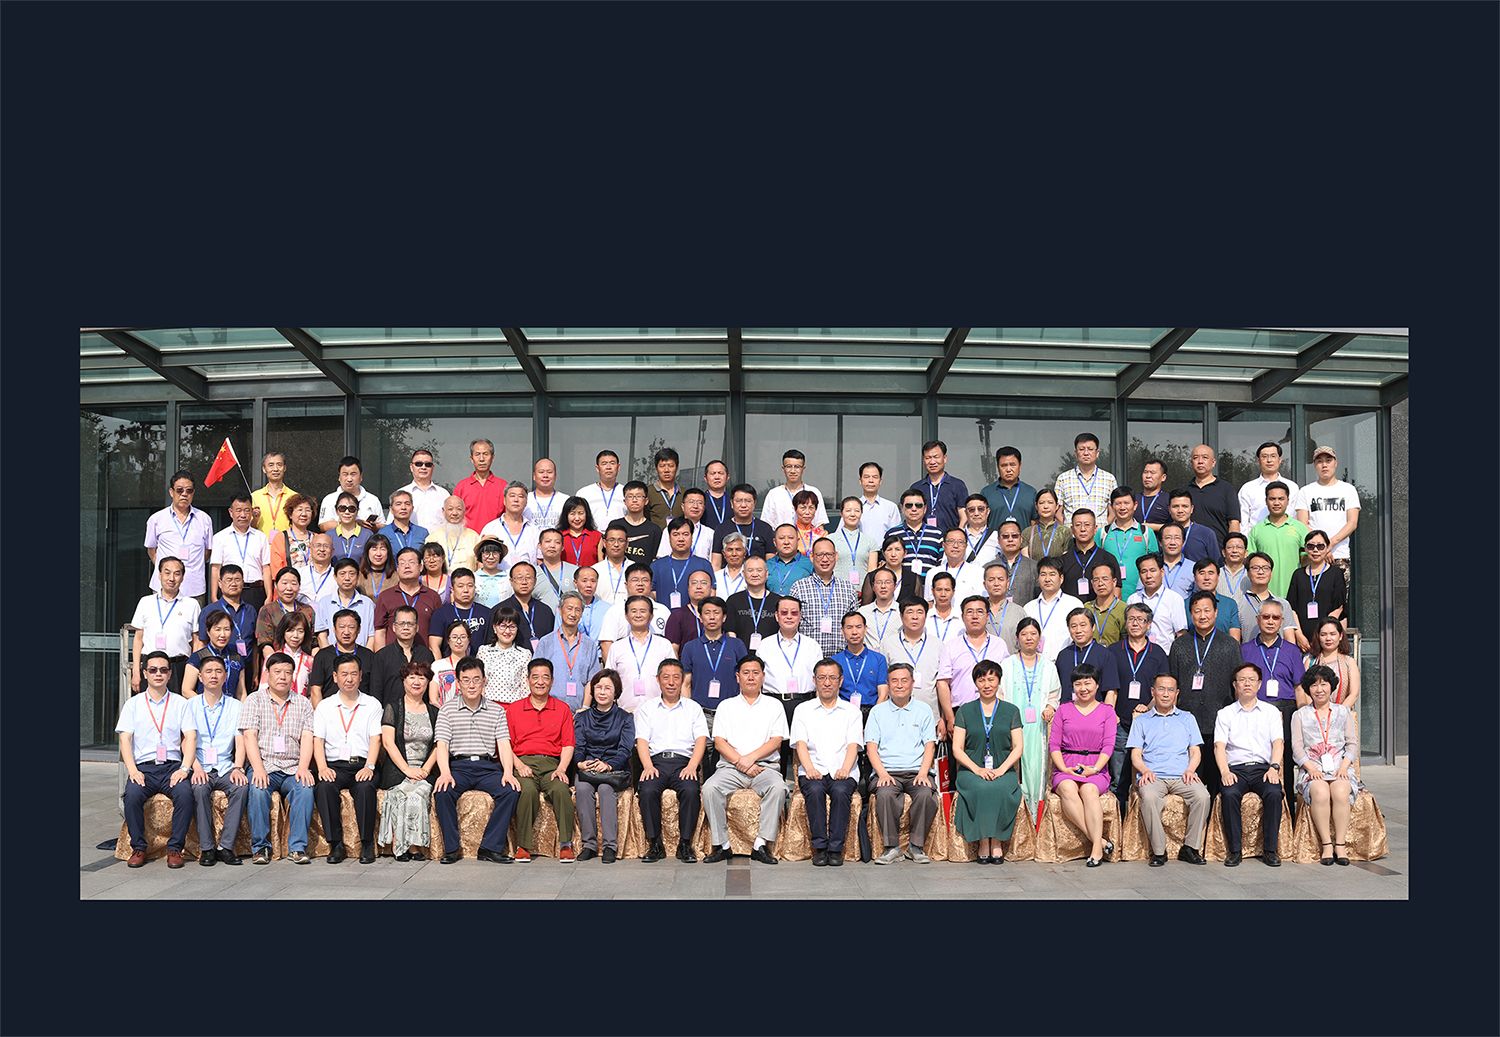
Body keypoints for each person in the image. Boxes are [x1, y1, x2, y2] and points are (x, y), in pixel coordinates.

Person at [432, 656, 520, 864]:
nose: (471, 685)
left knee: (510, 790)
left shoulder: (497, 711)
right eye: (466, 680)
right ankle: (451, 849)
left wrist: (508, 772)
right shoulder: (447, 710)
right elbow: (442, 745)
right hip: (458, 767)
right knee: (443, 792)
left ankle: (490, 848)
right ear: (458, 682)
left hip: (487, 767)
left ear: (484, 681)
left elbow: (503, 744)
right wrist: (445, 773)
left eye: (476, 679)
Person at [701, 655, 789, 864]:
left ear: (763, 677)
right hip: (731, 768)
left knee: (778, 788)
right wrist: (742, 763)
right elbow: (719, 743)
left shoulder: (774, 705)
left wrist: (750, 760)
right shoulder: (726, 706)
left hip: (765, 768)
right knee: (710, 788)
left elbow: (776, 741)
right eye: (746, 673)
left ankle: (760, 844)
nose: (751, 677)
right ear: (737, 677)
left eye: (755, 673)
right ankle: (722, 845)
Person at [117, 651, 196, 868]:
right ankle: (139, 848)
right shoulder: (133, 704)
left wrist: (185, 769)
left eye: (163, 670)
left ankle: (175, 849)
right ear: (144, 673)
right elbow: (125, 739)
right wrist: (133, 770)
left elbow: (190, 737)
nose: (158, 674)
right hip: (144, 768)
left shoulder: (181, 703)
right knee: (131, 796)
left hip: (172, 767)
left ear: (170, 674)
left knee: (185, 795)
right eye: (153, 670)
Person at [240, 652, 317, 865]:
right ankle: (260, 847)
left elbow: (307, 737)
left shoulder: (303, 703)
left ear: (293, 675)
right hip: (264, 765)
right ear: (267, 673)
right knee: (257, 789)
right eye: (277, 672)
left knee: (305, 788)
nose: (283, 676)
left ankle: (297, 848)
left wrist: (303, 767)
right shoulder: (255, 700)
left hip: (293, 767)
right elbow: (249, 736)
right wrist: (258, 769)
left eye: (287, 672)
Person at [1126, 674, 1210, 866]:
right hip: (1154, 776)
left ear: (1177, 693)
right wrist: (1144, 770)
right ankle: (1158, 851)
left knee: (1202, 796)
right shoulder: (1141, 721)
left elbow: (1195, 751)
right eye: (1161, 689)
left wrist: (1191, 770)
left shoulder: (1187, 718)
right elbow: (1135, 755)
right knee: (1149, 797)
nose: (1166, 694)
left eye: (1170, 690)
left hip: (1182, 775)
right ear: (1153, 692)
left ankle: (1190, 848)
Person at [792, 660, 866, 866]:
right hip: (812, 768)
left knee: (841, 792)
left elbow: (853, 745)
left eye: (832, 678)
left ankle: (835, 849)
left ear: (840, 681)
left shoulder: (852, 711)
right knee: (815, 791)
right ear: (814, 680)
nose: (827, 683)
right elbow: (800, 744)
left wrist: (845, 768)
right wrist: (809, 768)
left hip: (843, 770)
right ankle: (820, 847)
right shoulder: (803, 709)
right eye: (822, 678)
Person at [865, 662, 940, 864]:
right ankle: (892, 848)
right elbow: (871, 747)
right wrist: (882, 773)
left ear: (912, 683)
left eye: (904, 680)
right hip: (887, 771)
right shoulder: (877, 712)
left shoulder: (924, 710)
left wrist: (923, 773)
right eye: (894, 681)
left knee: (925, 794)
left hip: (917, 771)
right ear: (888, 684)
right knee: (885, 794)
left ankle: (916, 846)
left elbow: (929, 745)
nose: (899, 685)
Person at [1168, 590, 1242, 796]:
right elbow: (1173, 681)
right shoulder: (1179, 645)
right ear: (1191, 614)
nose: (1202, 616)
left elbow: (1236, 684)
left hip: (1219, 720)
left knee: (1218, 781)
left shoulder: (1229, 644)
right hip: (1187, 721)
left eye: (1207, 610)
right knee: (1191, 782)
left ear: (1216, 613)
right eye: (1197, 611)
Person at [951, 659, 1025, 863]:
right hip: (971, 769)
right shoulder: (965, 710)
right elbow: (957, 749)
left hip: (1004, 768)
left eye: (991, 679)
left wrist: (1001, 770)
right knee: (982, 787)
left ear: (999, 681)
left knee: (999, 787)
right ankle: (984, 840)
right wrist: (977, 770)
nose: (986, 684)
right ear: (975, 683)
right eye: (981, 680)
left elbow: (1018, 747)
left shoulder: (1011, 710)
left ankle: (997, 841)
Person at [635, 662, 710, 862]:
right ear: (658, 680)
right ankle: (655, 844)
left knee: (691, 790)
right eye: (666, 677)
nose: (671, 682)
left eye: (676, 677)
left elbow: (701, 740)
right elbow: (641, 740)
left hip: (684, 763)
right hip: (656, 763)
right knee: (647, 790)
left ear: (682, 680)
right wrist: (647, 766)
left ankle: (685, 845)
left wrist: (692, 766)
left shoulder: (693, 708)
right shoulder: (647, 708)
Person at [311, 655, 383, 864]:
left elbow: (375, 739)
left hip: (362, 763)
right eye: (344, 674)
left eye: (353, 674)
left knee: (365, 788)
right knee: (324, 787)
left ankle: (367, 844)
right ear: (335, 677)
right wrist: (322, 767)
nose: (349, 679)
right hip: (334, 765)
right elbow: (318, 740)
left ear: (360, 676)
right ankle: (336, 845)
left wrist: (369, 766)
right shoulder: (325, 706)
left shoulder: (372, 704)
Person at [504, 659, 577, 863]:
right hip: (523, 763)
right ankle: (523, 846)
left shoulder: (562, 709)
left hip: (551, 764)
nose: (540, 682)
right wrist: (519, 765)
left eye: (545, 677)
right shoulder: (514, 709)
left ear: (552, 681)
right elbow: (505, 744)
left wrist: (562, 768)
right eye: (535, 677)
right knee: (526, 791)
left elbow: (568, 744)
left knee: (561, 789)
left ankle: (566, 844)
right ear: (527, 680)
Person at [1214, 662, 1287, 867]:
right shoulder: (1225, 713)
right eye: (1242, 680)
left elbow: (1278, 743)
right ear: (1235, 685)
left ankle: (1270, 850)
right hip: (1236, 769)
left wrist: (1274, 767)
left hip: (1263, 768)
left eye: (1251, 680)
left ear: (1259, 684)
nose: (1247, 683)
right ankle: (1235, 851)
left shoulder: (1271, 712)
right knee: (1229, 793)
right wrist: (1224, 772)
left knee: (1274, 792)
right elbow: (1219, 746)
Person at [1291, 664, 1365, 866]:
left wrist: (1344, 766)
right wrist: (1310, 768)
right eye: (1314, 685)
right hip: (1312, 768)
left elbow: (1352, 743)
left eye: (1324, 684)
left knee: (1340, 792)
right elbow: (1297, 747)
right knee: (1320, 792)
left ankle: (1340, 844)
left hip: (1340, 767)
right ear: (1308, 689)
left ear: (1331, 686)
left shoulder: (1343, 712)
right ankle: (1326, 845)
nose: (1319, 689)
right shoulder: (1300, 715)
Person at [1049, 664, 1121, 866]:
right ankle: (1100, 841)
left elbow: (1108, 745)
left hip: (1096, 766)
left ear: (1097, 685)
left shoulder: (1107, 711)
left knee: (1089, 790)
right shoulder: (1063, 709)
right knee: (1067, 787)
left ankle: (1096, 848)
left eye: (1087, 683)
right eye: (1078, 684)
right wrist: (1063, 768)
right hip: (1067, 765)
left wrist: (1095, 768)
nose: (1083, 688)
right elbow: (1054, 745)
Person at [1241, 599, 1306, 797]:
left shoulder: (1292, 651)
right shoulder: (1245, 649)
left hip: (1285, 711)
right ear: (1257, 619)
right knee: (1256, 756)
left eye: (1275, 617)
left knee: (1285, 759)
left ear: (1282, 621)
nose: (1270, 621)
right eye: (1266, 617)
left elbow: (1299, 688)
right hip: (1255, 711)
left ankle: (1288, 808)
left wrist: (1303, 717)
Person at [186, 654, 247, 866]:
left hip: (225, 766)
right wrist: (195, 767)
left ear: (225, 676)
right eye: (209, 671)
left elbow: (240, 740)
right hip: (200, 765)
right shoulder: (190, 705)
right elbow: (186, 741)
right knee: (199, 788)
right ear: (200, 677)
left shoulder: (236, 706)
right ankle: (207, 848)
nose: (214, 675)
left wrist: (238, 767)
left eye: (219, 671)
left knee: (241, 787)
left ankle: (226, 847)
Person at [1107, 603, 1170, 807]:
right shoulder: (1114, 651)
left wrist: (1149, 707)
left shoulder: (1158, 653)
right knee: (1118, 779)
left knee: (1145, 778)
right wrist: (1111, 715)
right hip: (1120, 723)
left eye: (1141, 620)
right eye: (1131, 619)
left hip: (1149, 723)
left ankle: (1139, 823)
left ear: (1148, 624)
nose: (1135, 623)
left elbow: (1163, 688)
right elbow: (1109, 687)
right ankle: (1120, 821)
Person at [998, 617, 1059, 827]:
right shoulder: (1007, 664)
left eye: (1033, 634)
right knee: (1018, 768)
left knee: (1037, 769)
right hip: (1014, 726)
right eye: (1024, 634)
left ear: (1039, 637)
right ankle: (1019, 820)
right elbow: (1000, 694)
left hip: (1039, 729)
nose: (1029, 638)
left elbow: (1054, 694)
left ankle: (1036, 819)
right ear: (1017, 638)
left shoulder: (1049, 665)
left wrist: (1050, 708)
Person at [378, 660, 441, 860]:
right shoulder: (393, 708)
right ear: (404, 681)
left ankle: (413, 846)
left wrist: (425, 770)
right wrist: (407, 770)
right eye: (412, 677)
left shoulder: (434, 712)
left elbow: (439, 745)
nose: (416, 682)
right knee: (402, 793)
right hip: (398, 770)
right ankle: (401, 845)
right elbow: (388, 743)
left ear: (428, 682)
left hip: (424, 770)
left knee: (417, 793)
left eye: (421, 678)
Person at [573, 669, 635, 863]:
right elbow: (579, 746)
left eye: (607, 688)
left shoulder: (625, 718)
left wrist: (608, 765)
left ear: (616, 692)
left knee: (606, 789)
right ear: (592, 690)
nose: (602, 692)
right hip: (588, 767)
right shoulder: (582, 718)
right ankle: (589, 845)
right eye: (598, 687)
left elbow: (625, 750)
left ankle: (610, 846)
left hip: (613, 769)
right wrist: (580, 762)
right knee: (582, 789)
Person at [936, 595, 1012, 734]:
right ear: (962, 616)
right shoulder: (951, 646)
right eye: (970, 612)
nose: (975, 616)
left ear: (987, 616)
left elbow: (1007, 680)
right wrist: (949, 717)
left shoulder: (999, 644)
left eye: (980, 612)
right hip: (961, 713)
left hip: (994, 711)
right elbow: (942, 683)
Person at [1294, 445, 1360, 604]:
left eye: (1328, 460)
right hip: (1313, 555)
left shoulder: (1348, 490)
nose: (1324, 465)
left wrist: (1330, 544)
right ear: (1314, 465)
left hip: (1339, 555)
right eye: (1319, 461)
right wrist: (1320, 547)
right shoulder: (1305, 491)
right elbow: (1302, 523)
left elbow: (1352, 523)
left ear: (1335, 463)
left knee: (1338, 603)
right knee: (1311, 601)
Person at [131, 556, 202, 696]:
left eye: (177, 574)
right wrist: (136, 671)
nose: (171, 578)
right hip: (151, 667)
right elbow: (138, 639)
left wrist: (192, 671)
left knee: (179, 707)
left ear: (182, 577)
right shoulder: (145, 602)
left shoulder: (191, 604)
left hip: (179, 667)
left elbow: (197, 641)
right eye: (167, 573)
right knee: (150, 707)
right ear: (159, 575)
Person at [145, 470, 214, 603]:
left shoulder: (204, 519)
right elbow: (151, 550)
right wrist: (168, 568)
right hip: (163, 587)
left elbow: (207, 552)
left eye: (189, 491)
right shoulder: (157, 519)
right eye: (179, 490)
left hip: (194, 588)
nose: (184, 494)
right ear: (171, 492)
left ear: (193, 493)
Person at [603, 595, 676, 712]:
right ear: (626, 616)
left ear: (651, 616)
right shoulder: (617, 647)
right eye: (633, 611)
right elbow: (609, 680)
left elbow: (674, 675)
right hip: (625, 712)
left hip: (659, 711)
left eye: (643, 611)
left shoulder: (664, 644)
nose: (638, 615)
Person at [881, 598, 944, 731]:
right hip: (895, 716)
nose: (915, 617)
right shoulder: (888, 644)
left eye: (919, 612)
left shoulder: (937, 645)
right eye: (910, 612)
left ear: (926, 616)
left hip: (930, 717)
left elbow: (942, 683)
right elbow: (883, 682)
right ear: (901, 616)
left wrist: (943, 718)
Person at [790, 537, 860, 656]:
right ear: (812, 557)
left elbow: (854, 624)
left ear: (836, 556)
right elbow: (792, 623)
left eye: (829, 554)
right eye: (820, 555)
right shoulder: (798, 588)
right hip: (808, 656)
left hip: (841, 657)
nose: (825, 559)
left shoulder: (848, 589)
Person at [531, 591, 600, 707]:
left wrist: (584, 708)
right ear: (560, 610)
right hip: (550, 708)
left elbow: (592, 680)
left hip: (579, 710)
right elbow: (535, 675)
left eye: (577, 610)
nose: (573, 614)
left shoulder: (589, 645)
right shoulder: (546, 642)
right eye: (569, 608)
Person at [681, 595, 748, 712]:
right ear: (700, 618)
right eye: (707, 613)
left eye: (716, 613)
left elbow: (745, 680)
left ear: (724, 617)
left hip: (731, 712)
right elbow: (686, 684)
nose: (712, 617)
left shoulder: (737, 645)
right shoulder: (690, 647)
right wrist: (689, 712)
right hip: (700, 712)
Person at [1246, 482, 1308, 598]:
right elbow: (1251, 562)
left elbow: (1307, 560)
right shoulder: (1256, 530)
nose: (1276, 503)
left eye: (1281, 499)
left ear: (1288, 501)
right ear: (1266, 501)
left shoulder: (1300, 528)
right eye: (1272, 499)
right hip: (1264, 595)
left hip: (1295, 593)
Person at [1286, 530, 1348, 646]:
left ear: (1327, 548)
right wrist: (1299, 635)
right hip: (1302, 641)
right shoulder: (1298, 575)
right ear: (1305, 549)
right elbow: (1292, 608)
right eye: (1311, 546)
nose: (1315, 550)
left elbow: (1338, 608)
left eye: (1320, 546)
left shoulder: (1336, 574)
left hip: (1326, 641)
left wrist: (1322, 637)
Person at [373, 547, 443, 648]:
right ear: (397, 569)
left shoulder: (432, 597)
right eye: (402, 563)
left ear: (421, 567)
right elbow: (380, 631)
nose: (407, 566)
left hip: (423, 655)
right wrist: (382, 656)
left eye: (411, 562)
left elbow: (437, 633)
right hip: (393, 656)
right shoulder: (385, 597)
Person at [1237, 552, 1305, 650]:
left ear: (1271, 573)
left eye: (1266, 568)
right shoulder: (1238, 604)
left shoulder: (1283, 604)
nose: (1261, 572)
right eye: (1255, 568)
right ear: (1248, 573)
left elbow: (1290, 639)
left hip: (1278, 657)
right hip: (1249, 657)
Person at [596, 563, 669, 656]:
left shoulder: (663, 611)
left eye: (645, 580)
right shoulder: (615, 611)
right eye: (635, 580)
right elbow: (606, 644)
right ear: (626, 585)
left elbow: (670, 644)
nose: (640, 584)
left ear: (651, 585)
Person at [1097, 485, 1157, 599]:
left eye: (1126, 503)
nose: (1122, 507)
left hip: (1140, 595)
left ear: (1135, 505)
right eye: (1118, 503)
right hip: (1110, 596)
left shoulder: (1146, 532)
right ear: (1111, 506)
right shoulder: (1103, 533)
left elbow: (1155, 563)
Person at [210, 492, 269, 608]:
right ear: (231, 512)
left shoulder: (261, 537)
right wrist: (213, 596)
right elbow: (216, 568)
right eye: (238, 510)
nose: (243, 515)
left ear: (252, 512)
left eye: (247, 510)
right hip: (229, 592)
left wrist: (269, 596)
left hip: (255, 591)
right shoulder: (220, 537)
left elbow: (266, 568)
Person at [308, 609, 377, 705]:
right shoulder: (322, 656)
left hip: (361, 710)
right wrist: (321, 712)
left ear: (359, 629)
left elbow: (374, 689)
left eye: (351, 627)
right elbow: (316, 690)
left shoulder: (369, 656)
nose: (346, 632)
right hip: (331, 711)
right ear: (334, 629)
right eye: (342, 627)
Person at [372, 605, 436, 707]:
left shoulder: (426, 654)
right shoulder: (382, 656)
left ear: (417, 627)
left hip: (420, 711)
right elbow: (376, 691)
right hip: (390, 712)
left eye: (410, 624)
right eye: (401, 623)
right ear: (394, 627)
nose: (406, 627)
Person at [255, 567, 316, 673]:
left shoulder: (307, 610)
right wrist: (277, 666)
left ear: (299, 586)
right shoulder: (268, 610)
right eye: (284, 583)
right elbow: (265, 643)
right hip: (276, 666)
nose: (289, 588)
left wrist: (313, 665)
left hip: (304, 666)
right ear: (275, 585)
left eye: (294, 583)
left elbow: (314, 641)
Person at [1023, 557, 1083, 663]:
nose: (1047, 579)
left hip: (1065, 662)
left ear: (1061, 578)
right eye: (1043, 574)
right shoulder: (1029, 607)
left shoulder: (1074, 604)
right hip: (1035, 663)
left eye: (1052, 574)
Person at [1056, 607, 1122, 704]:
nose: (1078, 630)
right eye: (1073, 626)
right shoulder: (1063, 655)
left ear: (1093, 627)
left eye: (1083, 625)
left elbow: (1111, 691)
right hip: (1066, 710)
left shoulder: (1105, 654)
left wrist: (1108, 712)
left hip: (1095, 711)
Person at [199, 562, 258, 663]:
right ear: (220, 583)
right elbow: (202, 643)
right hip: (219, 665)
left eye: (237, 580)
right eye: (229, 580)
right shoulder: (209, 610)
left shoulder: (250, 610)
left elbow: (254, 644)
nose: (233, 584)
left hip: (246, 665)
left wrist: (255, 670)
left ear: (243, 583)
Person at [1127, 553, 1188, 652]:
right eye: (1144, 571)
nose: (1148, 576)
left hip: (1165, 654)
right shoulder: (1133, 599)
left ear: (1162, 572)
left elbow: (1181, 633)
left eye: (1152, 570)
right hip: (1137, 654)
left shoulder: (1174, 599)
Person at [1058, 508, 1120, 603]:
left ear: (1095, 529)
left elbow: (1116, 592)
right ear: (1072, 529)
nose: (1083, 529)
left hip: (1099, 610)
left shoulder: (1108, 558)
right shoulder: (1063, 560)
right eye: (1078, 525)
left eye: (1087, 525)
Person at [183, 610, 248, 701]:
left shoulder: (237, 657)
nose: (223, 634)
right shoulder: (197, 657)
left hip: (231, 707)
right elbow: (186, 690)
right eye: (217, 629)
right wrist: (205, 704)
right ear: (208, 632)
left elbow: (241, 693)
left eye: (227, 629)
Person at [491, 560, 555, 651]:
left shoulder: (545, 610)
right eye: (519, 578)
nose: (524, 582)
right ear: (511, 581)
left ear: (535, 581)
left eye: (528, 578)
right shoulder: (499, 610)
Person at [832, 611, 889, 712]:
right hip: (842, 712)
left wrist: (874, 716)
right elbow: (831, 693)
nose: (854, 632)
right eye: (849, 627)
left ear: (865, 629)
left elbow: (883, 694)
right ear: (842, 631)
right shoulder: (834, 661)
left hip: (871, 711)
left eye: (858, 627)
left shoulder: (879, 659)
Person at [653, 517, 714, 610]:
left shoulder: (704, 564)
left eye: (685, 534)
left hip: (695, 616)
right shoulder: (657, 566)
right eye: (676, 534)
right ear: (669, 538)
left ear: (692, 537)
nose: (681, 539)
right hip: (664, 617)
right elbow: (652, 594)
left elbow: (712, 593)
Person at [1053, 432, 1116, 523]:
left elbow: (1113, 512)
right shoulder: (1063, 479)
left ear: (1097, 453)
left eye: (1090, 449)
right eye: (1082, 449)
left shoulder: (1109, 479)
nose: (1086, 453)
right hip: (1071, 531)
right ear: (1076, 453)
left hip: (1100, 531)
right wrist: (1067, 529)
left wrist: (1103, 529)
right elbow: (1057, 511)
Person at [428, 568, 492, 657]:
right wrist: (440, 665)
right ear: (452, 589)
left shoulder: (487, 613)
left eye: (470, 585)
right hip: (450, 663)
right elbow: (434, 646)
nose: (466, 590)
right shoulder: (441, 614)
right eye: (460, 586)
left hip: (479, 663)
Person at [908, 439, 969, 532]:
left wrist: (958, 535)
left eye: (936, 457)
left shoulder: (957, 485)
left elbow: (964, 516)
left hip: (949, 539)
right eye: (928, 458)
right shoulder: (917, 487)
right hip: (924, 538)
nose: (932, 462)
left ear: (944, 458)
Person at [762, 448, 831, 529]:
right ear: (783, 469)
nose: (793, 471)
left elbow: (819, 523)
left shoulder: (814, 492)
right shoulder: (774, 494)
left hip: (808, 537)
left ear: (803, 469)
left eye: (797, 467)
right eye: (789, 466)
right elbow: (767, 525)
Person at [1185, 444, 1239, 547]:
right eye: (1195, 458)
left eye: (1205, 457)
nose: (1200, 461)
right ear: (1191, 463)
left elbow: (1234, 522)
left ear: (1213, 462)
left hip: (1218, 549)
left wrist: (1232, 548)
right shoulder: (1184, 491)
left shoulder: (1226, 489)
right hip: (1189, 549)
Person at [314, 558, 375, 649]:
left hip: (361, 655)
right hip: (332, 655)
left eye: (352, 574)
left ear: (358, 576)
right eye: (342, 574)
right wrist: (329, 655)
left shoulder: (367, 603)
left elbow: (371, 635)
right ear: (335, 577)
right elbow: (322, 635)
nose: (347, 578)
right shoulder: (324, 603)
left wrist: (366, 655)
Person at [1239, 441, 1299, 532]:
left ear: (1280, 460)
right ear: (1258, 461)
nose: (1269, 460)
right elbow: (1243, 522)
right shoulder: (1247, 489)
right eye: (1264, 456)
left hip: (1286, 537)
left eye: (1273, 456)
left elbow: (1295, 517)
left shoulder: (1292, 487)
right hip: (1256, 538)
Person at [481, 482, 541, 570]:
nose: (516, 500)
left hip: (527, 578)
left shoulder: (534, 531)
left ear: (526, 502)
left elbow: (540, 562)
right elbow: (480, 562)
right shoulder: (490, 528)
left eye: (521, 496)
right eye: (512, 496)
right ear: (504, 500)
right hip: (498, 578)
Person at [477, 607, 532, 704]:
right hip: (488, 706)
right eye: (503, 626)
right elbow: (480, 683)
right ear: (495, 628)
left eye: (512, 627)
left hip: (514, 706)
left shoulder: (524, 654)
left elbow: (525, 688)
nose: (507, 631)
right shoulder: (484, 651)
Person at [712, 483, 777, 564]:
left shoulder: (765, 528)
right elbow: (716, 563)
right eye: (739, 501)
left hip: (757, 571)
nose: (743, 505)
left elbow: (771, 563)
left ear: (754, 503)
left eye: (748, 501)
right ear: (732, 503)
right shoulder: (722, 529)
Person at [886, 490, 944, 579]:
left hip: (929, 585)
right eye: (909, 505)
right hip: (902, 585)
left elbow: (942, 564)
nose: (914, 509)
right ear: (902, 508)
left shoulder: (937, 534)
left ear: (925, 509)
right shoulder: (892, 534)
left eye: (918, 505)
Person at [256, 610, 314, 699]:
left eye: (300, 631)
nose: (295, 635)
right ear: (283, 632)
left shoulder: (310, 661)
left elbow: (312, 693)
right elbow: (263, 688)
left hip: (300, 705)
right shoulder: (272, 658)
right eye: (291, 630)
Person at [453, 438, 508, 533]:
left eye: (485, 454)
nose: (481, 459)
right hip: (467, 538)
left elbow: (509, 517)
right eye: (477, 454)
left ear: (492, 458)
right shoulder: (461, 487)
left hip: (495, 538)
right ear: (471, 459)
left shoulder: (503, 486)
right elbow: (454, 517)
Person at [1306, 617, 1361, 711]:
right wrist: (1316, 713)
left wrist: (1336, 713)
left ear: (1340, 636)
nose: (1328, 638)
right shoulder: (1310, 661)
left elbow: (1354, 694)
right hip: (1314, 715)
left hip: (1342, 714)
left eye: (1332, 634)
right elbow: (1305, 692)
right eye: (1323, 635)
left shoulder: (1349, 662)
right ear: (1318, 636)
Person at [317, 455, 383, 531]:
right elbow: (323, 526)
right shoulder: (329, 499)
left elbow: (382, 525)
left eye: (353, 474)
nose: (349, 479)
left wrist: (372, 526)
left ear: (361, 477)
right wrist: (354, 524)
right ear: (339, 477)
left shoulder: (373, 500)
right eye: (345, 474)